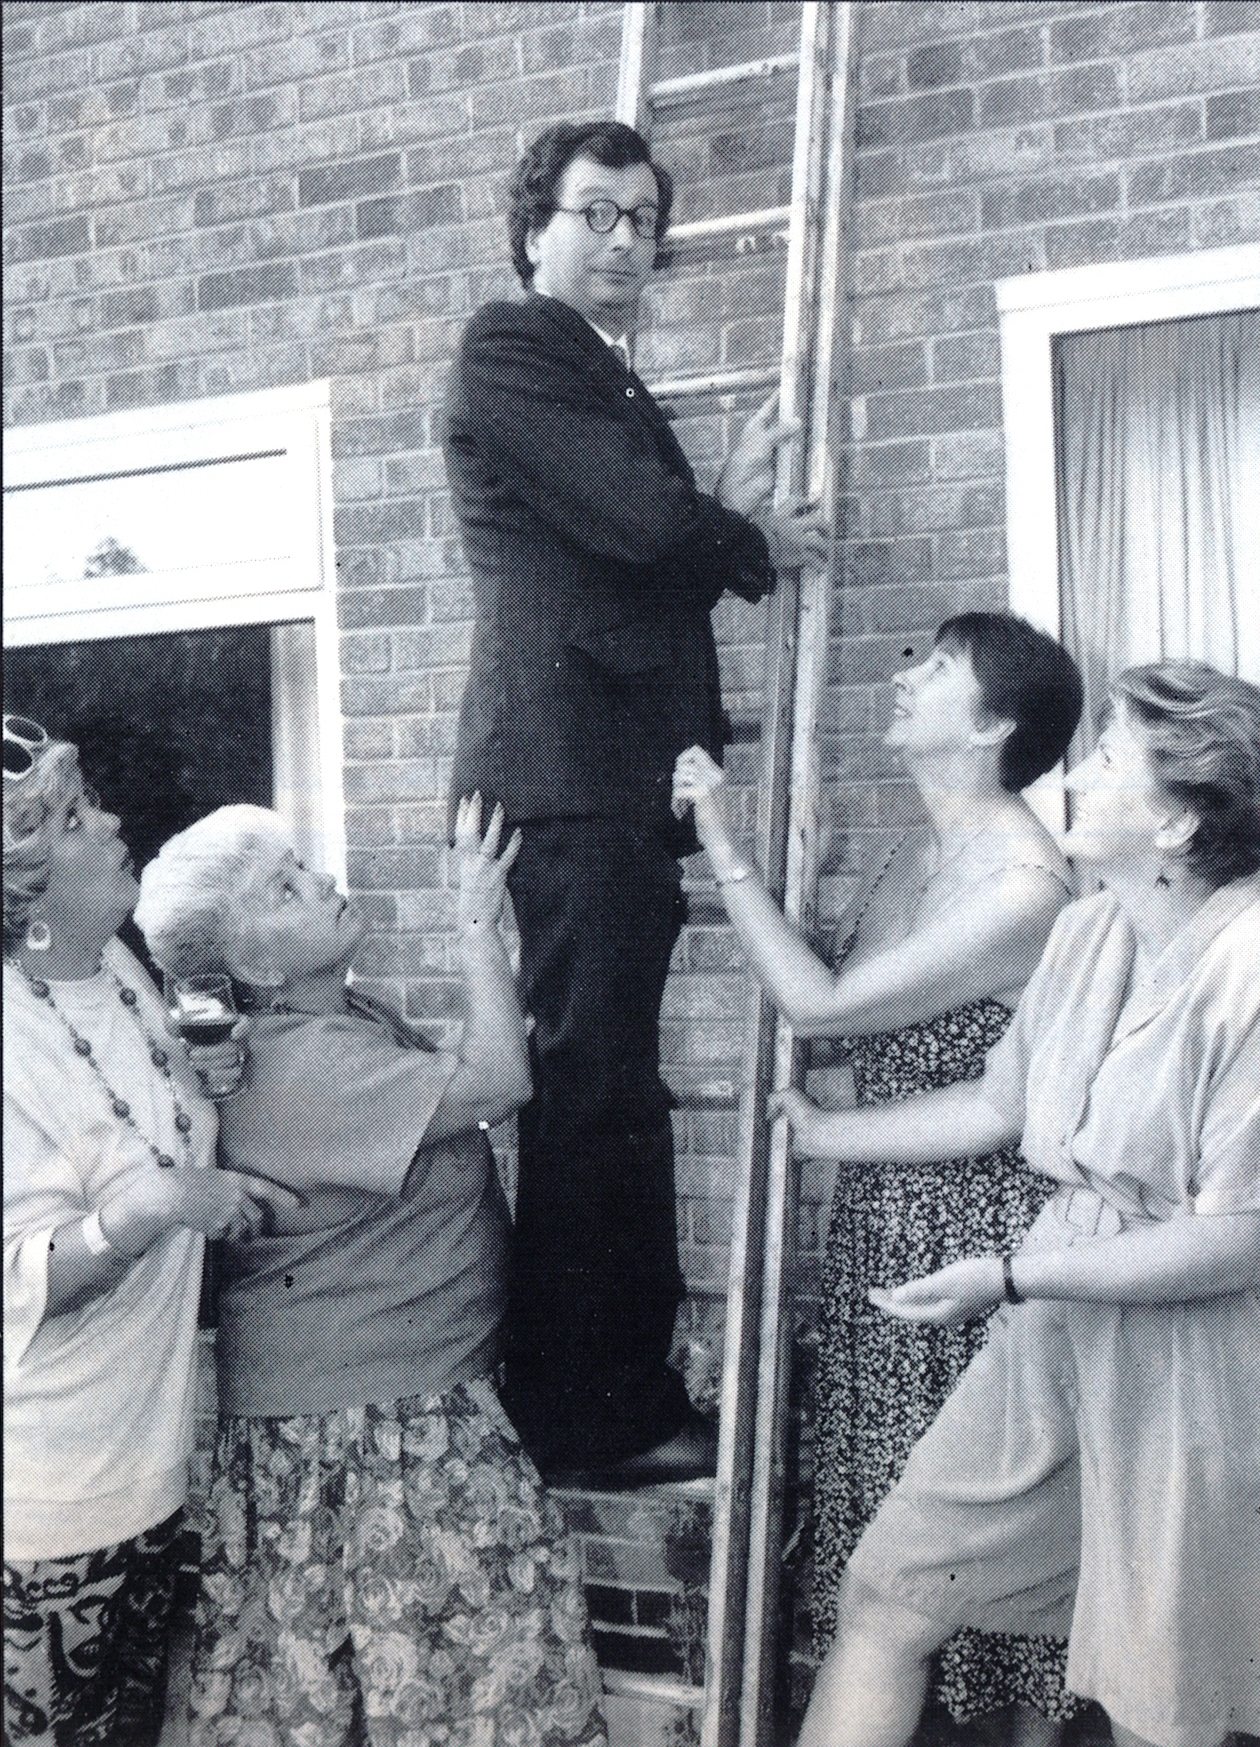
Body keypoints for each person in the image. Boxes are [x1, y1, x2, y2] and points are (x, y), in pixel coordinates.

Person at [771, 661, 1260, 1747]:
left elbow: (1235, 1240)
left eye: (1106, 760)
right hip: (1054, 1323)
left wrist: (1011, 1276)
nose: (1072, 778)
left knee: (1161, 1697)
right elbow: (1000, 1102)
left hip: (1196, 1353)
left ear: (1178, 824)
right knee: (889, 1591)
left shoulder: (1249, 969)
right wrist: (827, 1133)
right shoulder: (1086, 933)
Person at [442, 118, 828, 1484]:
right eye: (595, 213)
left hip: (598, 778)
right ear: (532, 229)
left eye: (644, 221)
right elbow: (646, 529)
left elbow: (631, 546)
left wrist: (710, 510)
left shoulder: (596, 370)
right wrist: (747, 536)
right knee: (594, 1095)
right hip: (564, 780)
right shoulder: (514, 345)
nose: (623, 240)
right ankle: (593, 1412)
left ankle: (602, 1394)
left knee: (603, 1091)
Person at [672, 612, 1084, 1740]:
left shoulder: (1023, 889)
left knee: (968, 1546)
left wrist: (722, 842)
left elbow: (822, 1006)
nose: (908, 678)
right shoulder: (920, 847)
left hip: (970, 1238)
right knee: (894, 1538)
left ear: (993, 726)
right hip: (883, 1223)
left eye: (940, 670)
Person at [134, 795, 608, 1747]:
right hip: (380, 1435)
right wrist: (474, 919)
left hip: (378, 1411)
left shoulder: (337, 1020)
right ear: (258, 967)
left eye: (300, 866)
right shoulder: (296, 1064)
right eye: (284, 889)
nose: (321, 882)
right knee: (473, 1703)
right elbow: (498, 1083)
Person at [3, 714, 294, 1747]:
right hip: (44, 1506)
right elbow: (20, 1278)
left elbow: (147, 1104)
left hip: (148, 1470)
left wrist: (207, 1073)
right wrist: (162, 1202)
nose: (114, 821)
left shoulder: (114, 966)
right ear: (24, 882)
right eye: (77, 818)